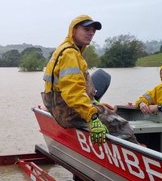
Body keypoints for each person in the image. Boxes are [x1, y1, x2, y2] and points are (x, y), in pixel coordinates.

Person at [41, 15, 138, 145]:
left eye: (93, 30)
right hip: (70, 112)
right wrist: (92, 117)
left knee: (108, 112)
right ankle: (140, 158)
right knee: (123, 127)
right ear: (73, 30)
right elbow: (73, 92)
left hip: (60, 107)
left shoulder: (64, 49)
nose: (91, 33)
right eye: (86, 29)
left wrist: (96, 103)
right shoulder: (70, 54)